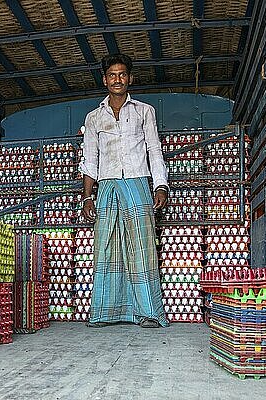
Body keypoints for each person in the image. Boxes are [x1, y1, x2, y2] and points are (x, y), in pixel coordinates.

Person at [79, 54, 169, 328]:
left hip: (138, 183)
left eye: (122, 74)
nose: (117, 79)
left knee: (142, 249)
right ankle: (106, 312)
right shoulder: (94, 117)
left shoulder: (144, 111)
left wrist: (161, 185)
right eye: (112, 75)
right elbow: (90, 158)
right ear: (104, 79)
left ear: (130, 78)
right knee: (106, 248)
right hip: (107, 186)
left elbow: (154, 150)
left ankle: (150, 313)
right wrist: (87, 196)